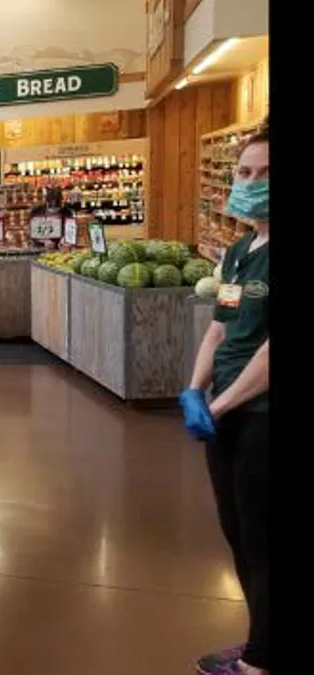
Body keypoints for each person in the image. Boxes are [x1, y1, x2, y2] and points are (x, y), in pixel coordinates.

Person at [179, 124, 269, 675]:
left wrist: (219, 405)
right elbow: (221, 327)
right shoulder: (238, 252)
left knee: (264, 537)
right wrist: (194, 387)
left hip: (259, 412)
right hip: (226, 410)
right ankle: (263, 636)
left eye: (264, 174)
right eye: (244, 173)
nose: (251, 183)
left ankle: (261, 661)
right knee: (236, 529)